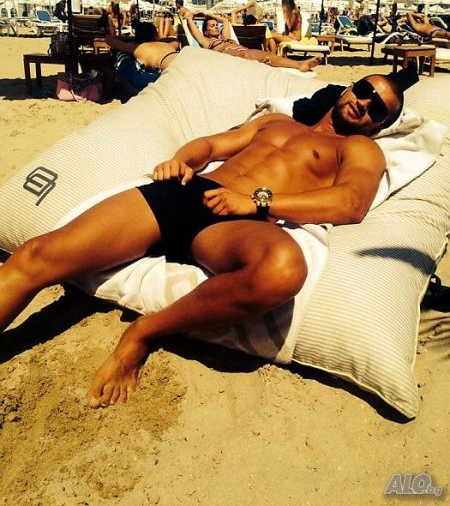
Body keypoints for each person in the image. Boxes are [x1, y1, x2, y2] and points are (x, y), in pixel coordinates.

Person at [0, 71, 413, 409]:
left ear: (380, 124)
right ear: (348, 88)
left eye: (378, 107)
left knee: (283, 270)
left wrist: (257, 202)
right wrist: (183, 160)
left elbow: (350, 203)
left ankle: (143, 333)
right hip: (187, 192)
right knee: (37, 255)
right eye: (364, 90)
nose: (365, 103)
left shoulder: (359, 149)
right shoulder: (275, 122)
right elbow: (212, 145)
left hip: (238, 221)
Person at [180, 6, 320, 73]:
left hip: (244, 51)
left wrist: (209, 14)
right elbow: (190, 23)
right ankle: (260, 65)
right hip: (226, 54)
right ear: (206, 31)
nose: (216, 27)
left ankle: (299, 64)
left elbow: (225, 21)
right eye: (212, 26)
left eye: (216, 26)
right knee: (246, 55)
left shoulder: (226, 37)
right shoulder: (206, 41)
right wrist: (191, 15)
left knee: (268, 55)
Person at [105, 22, 180, 74]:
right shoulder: (169, 45)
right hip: (179, 67)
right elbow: (174, 40)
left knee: (122, 57)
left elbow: (109, 40)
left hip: (166, 75)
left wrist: (131, 38)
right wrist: (158, 39)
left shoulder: (139, 48)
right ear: (155, 35)